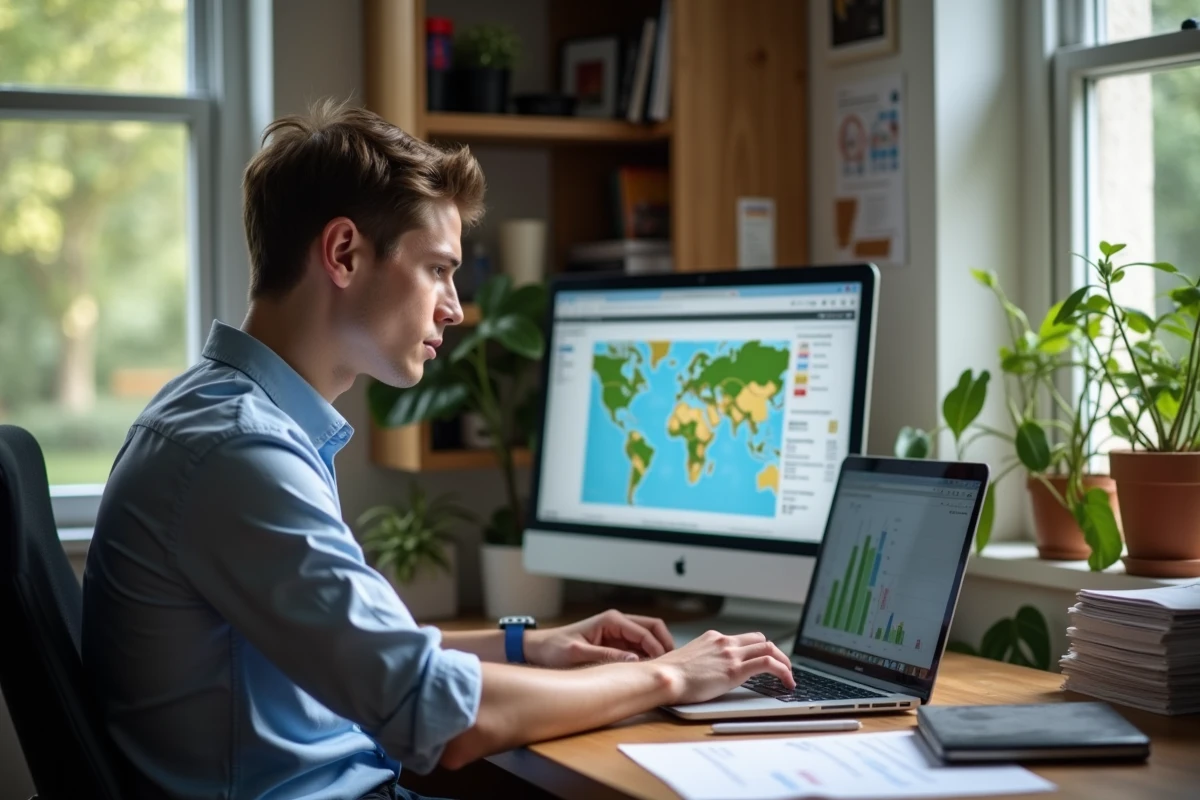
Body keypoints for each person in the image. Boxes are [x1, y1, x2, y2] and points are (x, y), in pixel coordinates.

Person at [81, 99, 795, 800]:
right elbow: (440, 716)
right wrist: (673, 676)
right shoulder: (240, 453)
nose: (454, 306)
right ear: (344, 253)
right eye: (438, 269)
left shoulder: (224, 420)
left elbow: (372, 657)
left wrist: (529, 646)